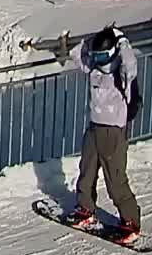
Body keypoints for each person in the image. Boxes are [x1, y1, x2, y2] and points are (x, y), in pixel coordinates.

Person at [58, 25, 142, 243]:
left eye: (103, 55)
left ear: (113, 53)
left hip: (113, 132)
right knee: (86, 171)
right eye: (97, 55)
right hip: (94, 128)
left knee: (115, 179)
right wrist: (91, 40)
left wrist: (121, 40)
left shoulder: (122, 74)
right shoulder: (94, 68)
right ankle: (85, 208)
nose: (99, 59)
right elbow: (76, 54)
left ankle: (130, 221)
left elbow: (131, 64)